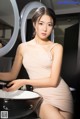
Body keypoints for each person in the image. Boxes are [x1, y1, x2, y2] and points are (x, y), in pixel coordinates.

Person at [0, 6, 73, 119]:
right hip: (42, 97)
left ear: (53, 27)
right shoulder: (22, 48)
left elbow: (53, 81)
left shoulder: (56, 47)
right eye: (41, 23)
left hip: (62, 96)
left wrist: (23, 81)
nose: (45, 28)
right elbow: (12, 75)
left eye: (49, 24)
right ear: (34, 24)